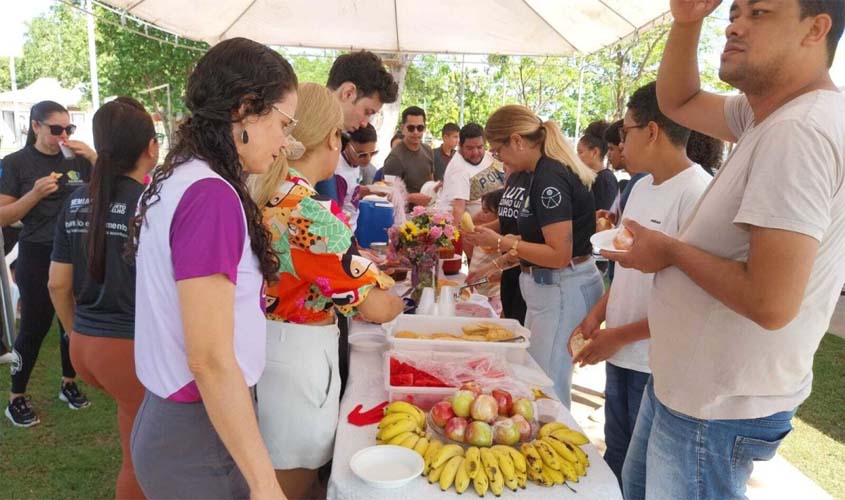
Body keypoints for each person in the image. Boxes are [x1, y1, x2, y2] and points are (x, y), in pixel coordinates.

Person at [603, 2, 845, 499]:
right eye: (735, 12)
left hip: (717, 409)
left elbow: (770, 301)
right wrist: (687, 21)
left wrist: (669, 250)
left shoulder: (796, 130)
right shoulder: (773, 115)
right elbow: (680, 99)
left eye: (759, 13)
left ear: (815, 29)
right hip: (695, 394)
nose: (735, 24)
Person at [129, 37, 296, 499]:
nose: (285, 141)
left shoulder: (181, 176)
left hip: (182, 422)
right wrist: (266, 486)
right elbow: (210, 358)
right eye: (283, 122)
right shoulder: (210, 194)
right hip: (197, 432)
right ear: (245, 109)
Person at [250, 83, 403, 500]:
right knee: (290, 481)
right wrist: (394, 296)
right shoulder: (308, 212)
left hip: (274, 345)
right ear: (333, 139)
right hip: (300, 357)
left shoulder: (271, 194)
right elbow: (375, 307)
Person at [568, 81, 712, 486]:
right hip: (619, 351)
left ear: (652, 131)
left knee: (646, 472)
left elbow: (691, 301)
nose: (619, 142)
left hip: (654, 363)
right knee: (616, 456)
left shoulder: (697, 194)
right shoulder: (640, 187)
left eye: (626, 131)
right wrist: (596, 316)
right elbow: (625, 269)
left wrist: (620, 336)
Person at [48, 97, 158, 500]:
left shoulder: (75, 201)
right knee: (143, 461)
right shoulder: (149, 204)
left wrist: (77, 332)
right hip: (128, 349)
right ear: (151, 147)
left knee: (135, 438)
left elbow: (57, 284)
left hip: (86, 345)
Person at [466, 105, 604, 408]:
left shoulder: (550, 177)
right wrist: (496, 258)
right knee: (536, 375)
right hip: (547, 287)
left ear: (516, 140)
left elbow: (557, 253)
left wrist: (502, 242)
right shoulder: (533, 174)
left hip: (562, 285)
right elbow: (528, 236)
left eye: (498, 151)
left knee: (546, 384)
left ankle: (558, 448)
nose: (498, 159)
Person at [0, 100, 95, 427]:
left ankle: (69, 383)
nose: (63, 135)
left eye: (69, 128)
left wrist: (95, 159)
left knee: (72, 322)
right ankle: (16, 398)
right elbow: (3, 215)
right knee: (34, 328)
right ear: (36, 126)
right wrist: (34, 195)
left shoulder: (78, 160)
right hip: (38, 252)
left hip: (75, 252)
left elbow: (109, 191)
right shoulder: (15, 163)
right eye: (56, 129)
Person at [315, 50, 399, 202]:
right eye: (367, 112)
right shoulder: (313, 136)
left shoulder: (331, 136)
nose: (364, 123)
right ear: (348, 93)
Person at [382, 106, 435, 206]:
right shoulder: (395, 158)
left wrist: (436, 187)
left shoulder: (428, 150)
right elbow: (387, 194)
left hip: (426, 212)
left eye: (420, 128)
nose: (416, 132)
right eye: (411, 128)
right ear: (403, 128)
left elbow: (430, 180)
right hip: (403, 216)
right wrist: (411, 198)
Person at [333, 124, 379, 232]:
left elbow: (351, 192)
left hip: (352, 229)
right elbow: (336, 212)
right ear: (347, 145)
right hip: (342, 232)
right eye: (362, 154)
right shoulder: (339, 173)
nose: (368, 159)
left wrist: (371, 190)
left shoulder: (354, 162)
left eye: (372, 153)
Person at [578, 120, 619, 211]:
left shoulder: (604, 181)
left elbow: (602, 219)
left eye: (580, 152)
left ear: (595, 152)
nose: (577, 157)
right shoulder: (598, 178)